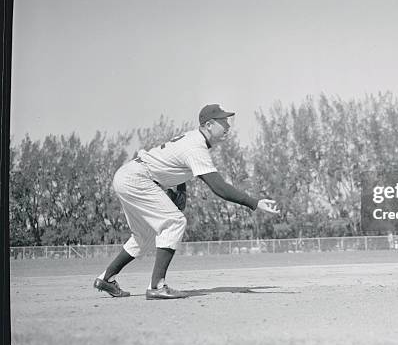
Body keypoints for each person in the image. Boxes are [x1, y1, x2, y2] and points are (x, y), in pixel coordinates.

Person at [93, 104, 280, 300]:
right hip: (137, 179)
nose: (228, 125)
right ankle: (157, 286)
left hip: (127, 176)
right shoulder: (196, 146)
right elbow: (220, 188)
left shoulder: (192, 139)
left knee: (145, 236)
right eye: (223, 121)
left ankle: (107, 278)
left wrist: (180, 192)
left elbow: (179, 168)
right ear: (208, 125)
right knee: (175, 222)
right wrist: (254, 202)